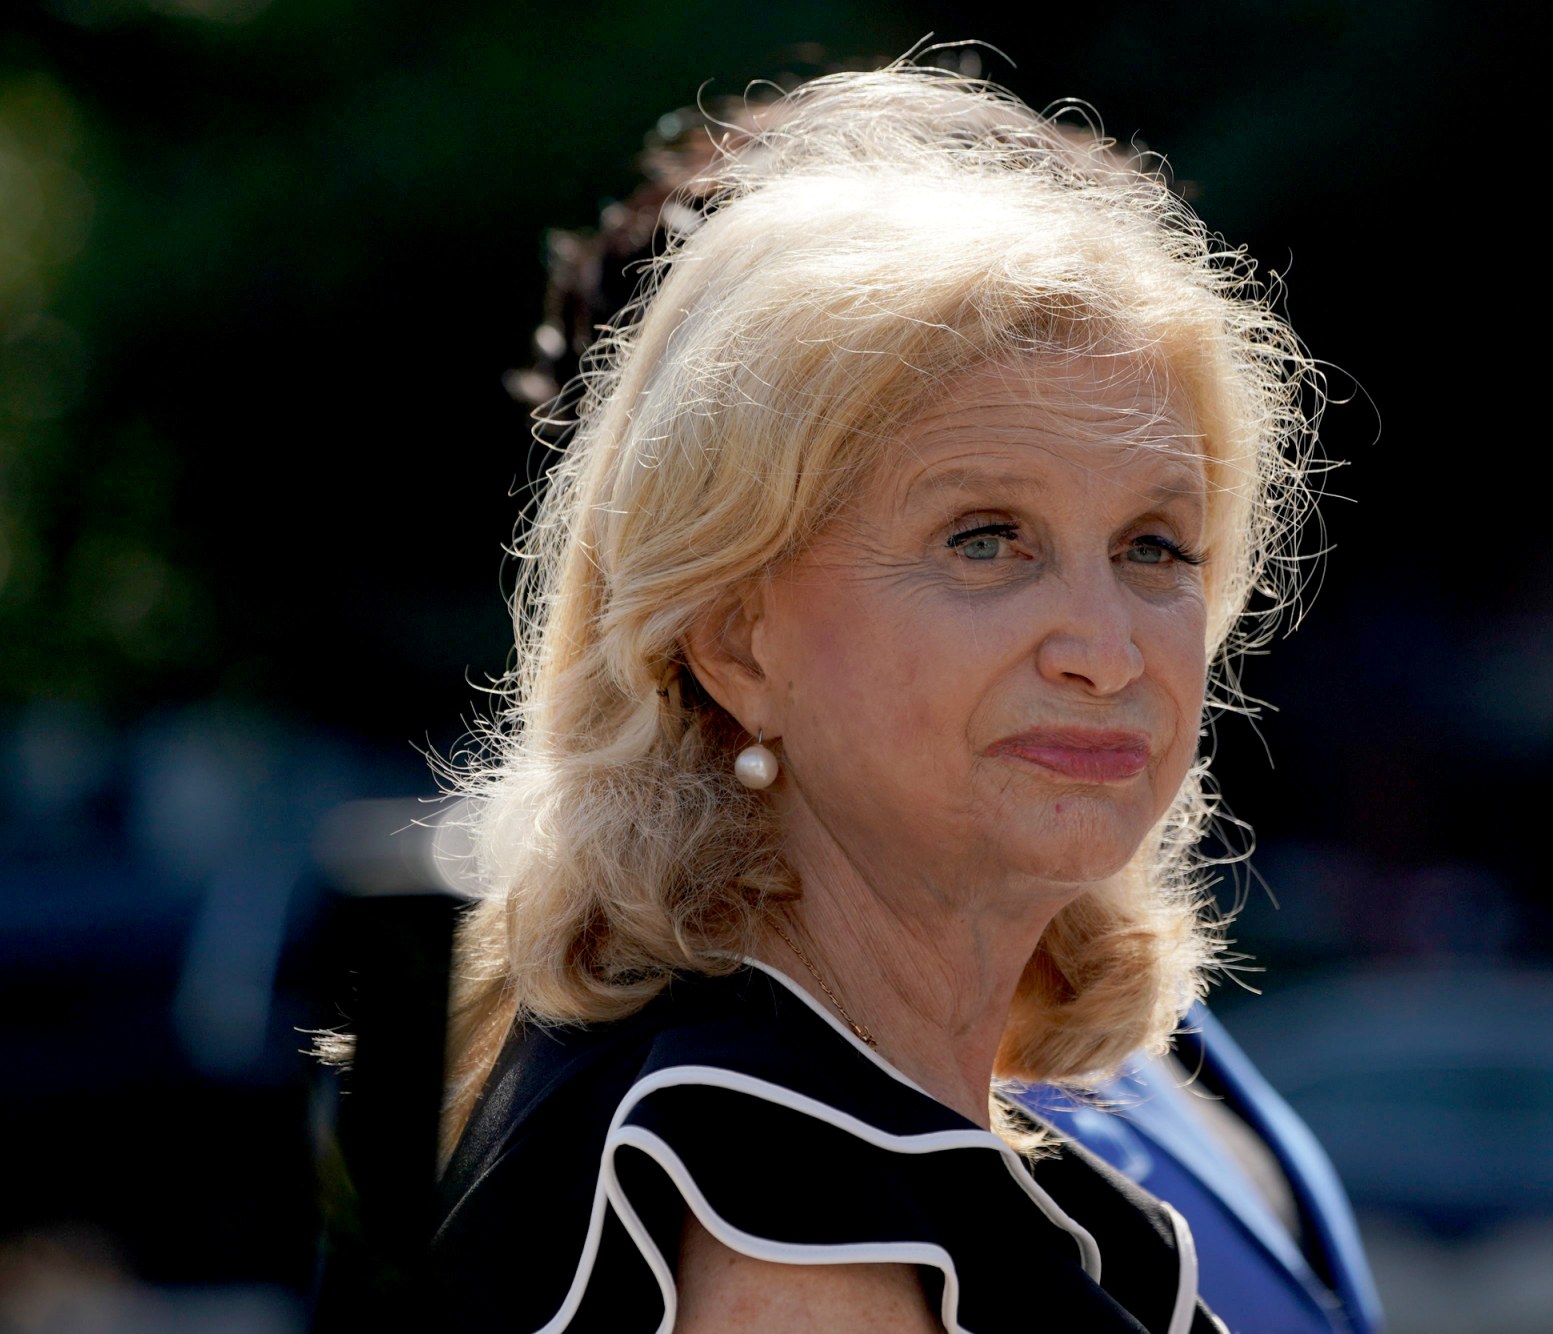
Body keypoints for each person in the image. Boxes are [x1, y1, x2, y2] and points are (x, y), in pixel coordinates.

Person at [432, 61, 1354, 1333]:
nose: (1105, 648)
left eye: (1153, 547)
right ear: (732, 636)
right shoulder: (779, 1199)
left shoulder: (819, 1127)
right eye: (985, 539)